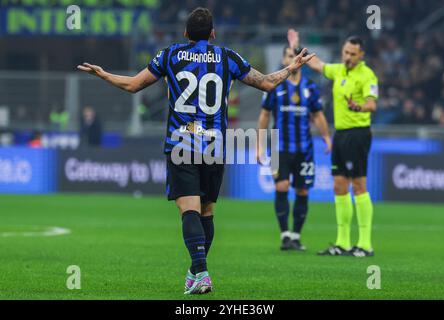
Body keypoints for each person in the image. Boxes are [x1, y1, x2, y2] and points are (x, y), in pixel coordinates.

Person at [77, 8, 315, 294]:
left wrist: (104, 75)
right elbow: (265, 83)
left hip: (183, 141)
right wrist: (291, 68)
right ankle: (196, 270)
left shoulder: (170, 55)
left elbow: (133, 86)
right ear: (213, 33)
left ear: (186, 34)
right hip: (215, 144)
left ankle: (201, 272)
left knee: (187, 209)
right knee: (207, 211)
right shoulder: (228, 57)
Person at [288, 29, 378, 257]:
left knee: (358, 186)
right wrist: (298, 48)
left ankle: (365, 244)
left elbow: (372, 104)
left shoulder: (367, 75)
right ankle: (343, 243)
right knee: (339, 186)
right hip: (340, 135)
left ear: (361, 55)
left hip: (358, 134)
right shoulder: (338, 70)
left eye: (353, 54)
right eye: (346, 52)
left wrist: (359, 106)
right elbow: (317, 64)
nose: (348, 57)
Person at [257, 45, 331, 251]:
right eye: (289, 56)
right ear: (283, 60)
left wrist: (326, 137)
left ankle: (296, 236)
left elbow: (318, 115)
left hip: (304, 148)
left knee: (302, 190)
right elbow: (264, 115)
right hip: (279, 147)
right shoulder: (275, 87)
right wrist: (260, 145)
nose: (293, 59)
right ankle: (285, 235)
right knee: (281, 187)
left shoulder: (310, 88)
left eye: (296, 56)